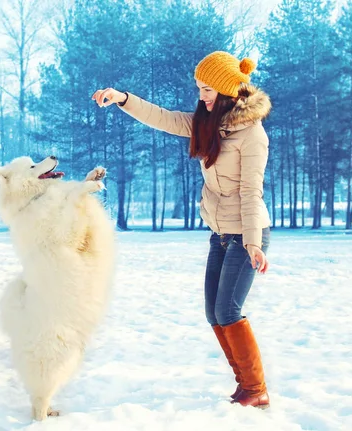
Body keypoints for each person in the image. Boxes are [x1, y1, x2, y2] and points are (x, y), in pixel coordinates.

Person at [91, 51, 273, 409]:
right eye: (199, 89)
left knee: (229, 311)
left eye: (207, 90)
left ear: (225, 90)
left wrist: (253, 243)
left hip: (248, 234)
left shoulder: (253, 136)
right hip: (220, 232)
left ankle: (256, 389)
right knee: (213, 312)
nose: (202, 96)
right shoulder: (207, 123)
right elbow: (162, 118)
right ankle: (245, 386)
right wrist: (123, 98)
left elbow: (252, 192)